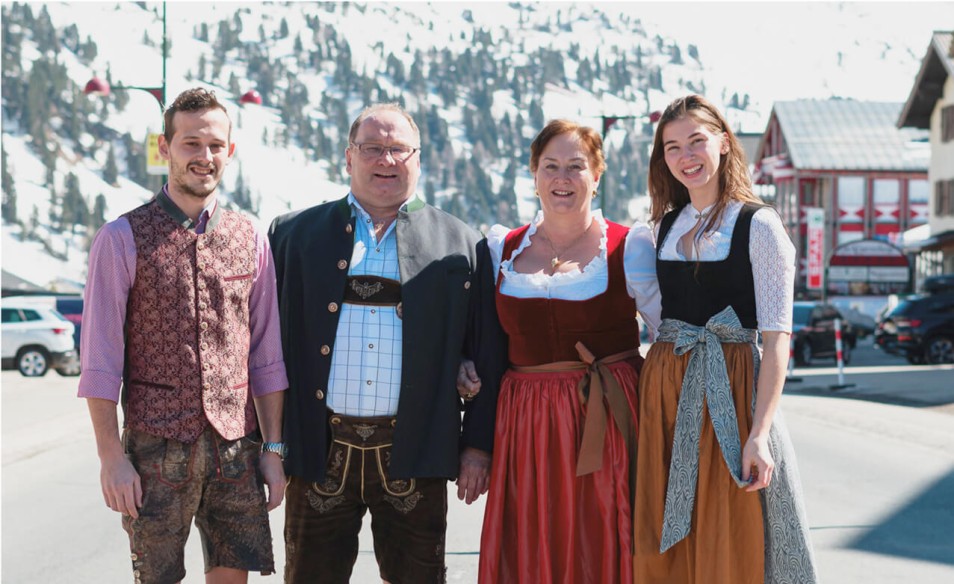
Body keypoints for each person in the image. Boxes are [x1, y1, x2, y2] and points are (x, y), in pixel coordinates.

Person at [268, 103, 506, 584]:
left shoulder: (462, 244)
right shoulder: (292, 236)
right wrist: (267, 443)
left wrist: (478, 445)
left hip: (415, 452)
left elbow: (487, 352)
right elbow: (263, 346)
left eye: (399, 149)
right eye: (372, 148)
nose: (386, 160)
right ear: (348, 157)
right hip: (319, 449)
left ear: (418, 158)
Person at [79, 87, 288, 584]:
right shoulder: (120, 238)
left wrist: (273, 450)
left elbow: (266, 355)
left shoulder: (251, 237)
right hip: (154, 448)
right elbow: (100, 362)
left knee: (233, 578)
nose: (204, 156)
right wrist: (110, 458)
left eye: (215, 145)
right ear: (165, 147)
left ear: (229, 151)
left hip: (236, 448)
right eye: (191, 143)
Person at [465, 119, 662, 584]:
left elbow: (669, 334)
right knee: (534, 539)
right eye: (550, 166)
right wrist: (475, 435)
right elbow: (483, 344)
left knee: (602, 534)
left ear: (597, 176)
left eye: (576, 166)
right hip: (525, 421)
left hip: (607, 414)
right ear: (534, 175)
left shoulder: (630, 246)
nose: (562, 178)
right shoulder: (501, 248)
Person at [633, 94, 818, 583]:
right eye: (672, 147)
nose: (686, 156)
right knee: (666, 530)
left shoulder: (759, 225)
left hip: (731, 391)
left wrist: (759, 433)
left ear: (723, 142)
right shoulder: (661, 229)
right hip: (666, 391)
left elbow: (776, 338)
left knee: (731, 527)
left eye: (696, 140)